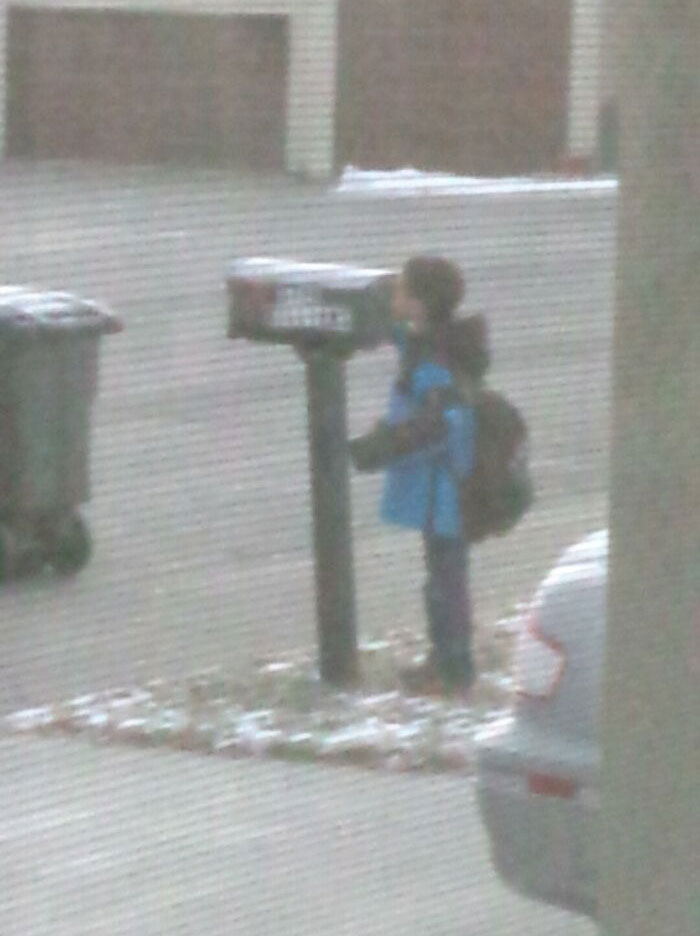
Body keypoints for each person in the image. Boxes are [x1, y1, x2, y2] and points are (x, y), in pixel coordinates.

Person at [350, 256, 490, 698]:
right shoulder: (436, 342)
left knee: (445, 581)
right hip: (444, 485)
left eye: (400, 291)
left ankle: (452, 669)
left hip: (443, 488)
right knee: (441, 576)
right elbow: (405, 340)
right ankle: (444, 661)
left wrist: (381, 446)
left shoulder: (434, 357)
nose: (394, 297)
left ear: (419, 303)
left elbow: (440, 424)